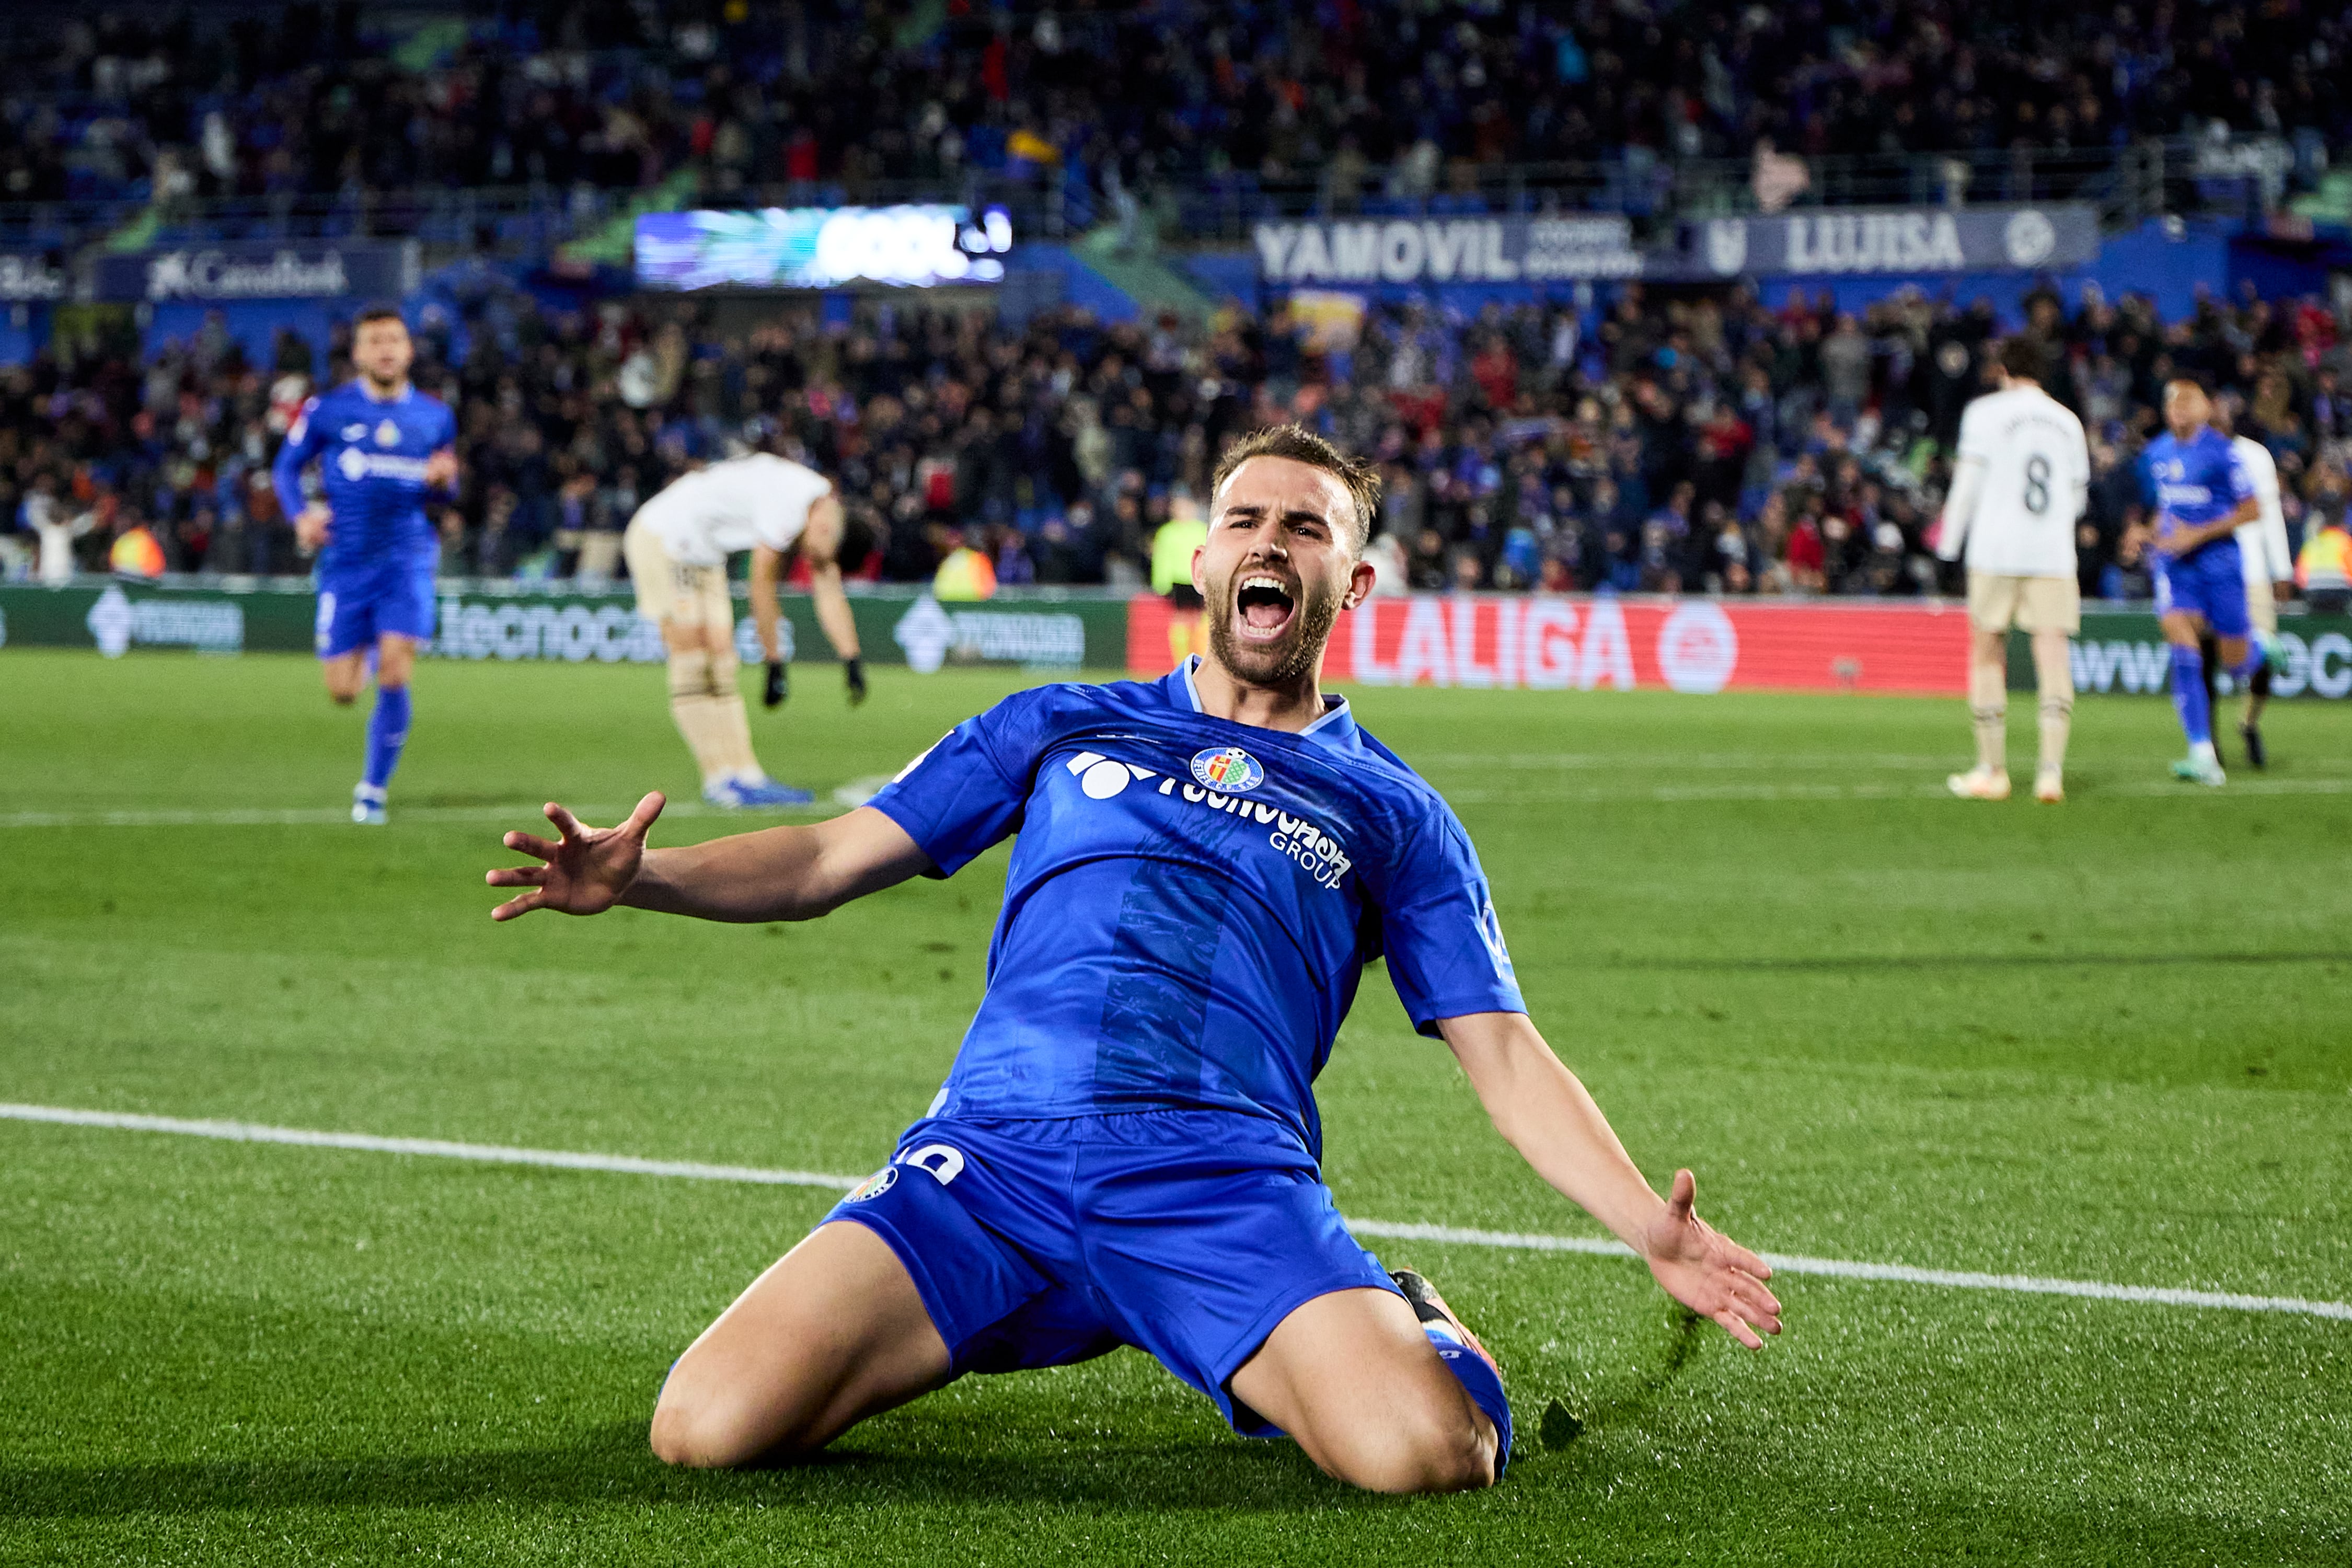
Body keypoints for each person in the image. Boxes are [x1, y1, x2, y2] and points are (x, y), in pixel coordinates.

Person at [483, 424, 1781, 1493]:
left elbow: (1500, 1052)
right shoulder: (1060, 721)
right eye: (1245, 518)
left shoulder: (1394, 811)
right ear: (1204, 558)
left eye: (1307, 525)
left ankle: (1418, 1320)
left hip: (1214, 1177)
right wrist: (641, 875)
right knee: (704, 1425)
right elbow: (830, 859)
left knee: (1425, 1453)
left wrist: (1638, 1226)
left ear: (1354, 583)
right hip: (986, 1163)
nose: (1269, 540)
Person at [271, 306, 459, 825]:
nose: (385, 349)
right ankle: (374, 652)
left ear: (409, 351)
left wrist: (446, 483)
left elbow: (448, 486)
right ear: (357, 352)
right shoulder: (328, 411)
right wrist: (300, 516)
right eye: (374, 340)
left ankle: (372, 790)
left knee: (397, 670)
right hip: (346, 564)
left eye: (394, 340)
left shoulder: (434, 416)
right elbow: (285, 469)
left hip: (407, 559)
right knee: (343, 692)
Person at [620, 443, 867, 809]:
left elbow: (828, 586)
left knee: (722, 660)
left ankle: (746, 776)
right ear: (827, 528)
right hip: (665, 538)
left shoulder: (815, 508)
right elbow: (762, 583)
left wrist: (852, 659)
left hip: (703, 553)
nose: (808, 559)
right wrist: (774, 662)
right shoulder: (792, 503)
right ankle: (719, 779)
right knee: (692, 657)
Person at [1933, 338, 2089, 804]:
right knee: (2053, 655)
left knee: (1987, 653)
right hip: (2053, 554)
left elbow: (1966, 487)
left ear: (2001, 367)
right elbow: (2078, 498)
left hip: (1996, 551)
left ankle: (1993, 770)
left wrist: (1947, 550)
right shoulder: (2068, 421)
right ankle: (2050, 773)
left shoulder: (1984, 414)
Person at [2140, 379, 2268, 788]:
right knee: (2183, 647)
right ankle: (2202, 754)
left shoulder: (2224, 453)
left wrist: (2198, 534)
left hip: (2220, 565)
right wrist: (2146, 534)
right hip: (2177, 568)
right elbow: (2162, 508)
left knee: (2236, 663)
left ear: (2206, 408)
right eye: (2171, 401)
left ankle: (2264, 649)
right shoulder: (2155, 452)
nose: (2177, 407)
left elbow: (2251, 511)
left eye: (2187, 400)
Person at [2204, 405, 2295, 768]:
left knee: (2265, 658)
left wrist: (2282, 570)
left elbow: (2270, 514)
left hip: (2253, 572)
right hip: (2208, 573)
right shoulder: (2193, 455)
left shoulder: (2256, 456)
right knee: (2206, 659)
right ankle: (2207, 745)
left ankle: (2249, 722)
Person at [2297, 506, 2351, 617]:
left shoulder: (2312, 544)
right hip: (2341, 595)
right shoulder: (2345, 541)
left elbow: (2300, 577)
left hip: (2314, 595)